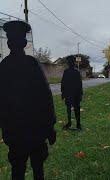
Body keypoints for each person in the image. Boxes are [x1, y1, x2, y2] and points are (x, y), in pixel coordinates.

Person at [0, 21, 56, 180]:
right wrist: (50, 126)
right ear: (24, 43)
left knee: (18, 169)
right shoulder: (32, 64)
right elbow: (45, 97)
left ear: (9, 42)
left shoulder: (4, 67)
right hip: (34, 129)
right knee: (37, 168)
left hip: (15, 131)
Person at [61, 55, 83, 130]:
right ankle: (69, 122)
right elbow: (63, 83)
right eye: (69, 62)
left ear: (73, 63)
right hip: (68, 94)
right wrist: (63, 93)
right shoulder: (66, 72)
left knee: (76, 109)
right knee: (68, 108)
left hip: (75, 94)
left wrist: (80, 94)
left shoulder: (76, 72)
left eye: (71, 62)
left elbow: (80, 84)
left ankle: (78, 124)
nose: (69, 63)